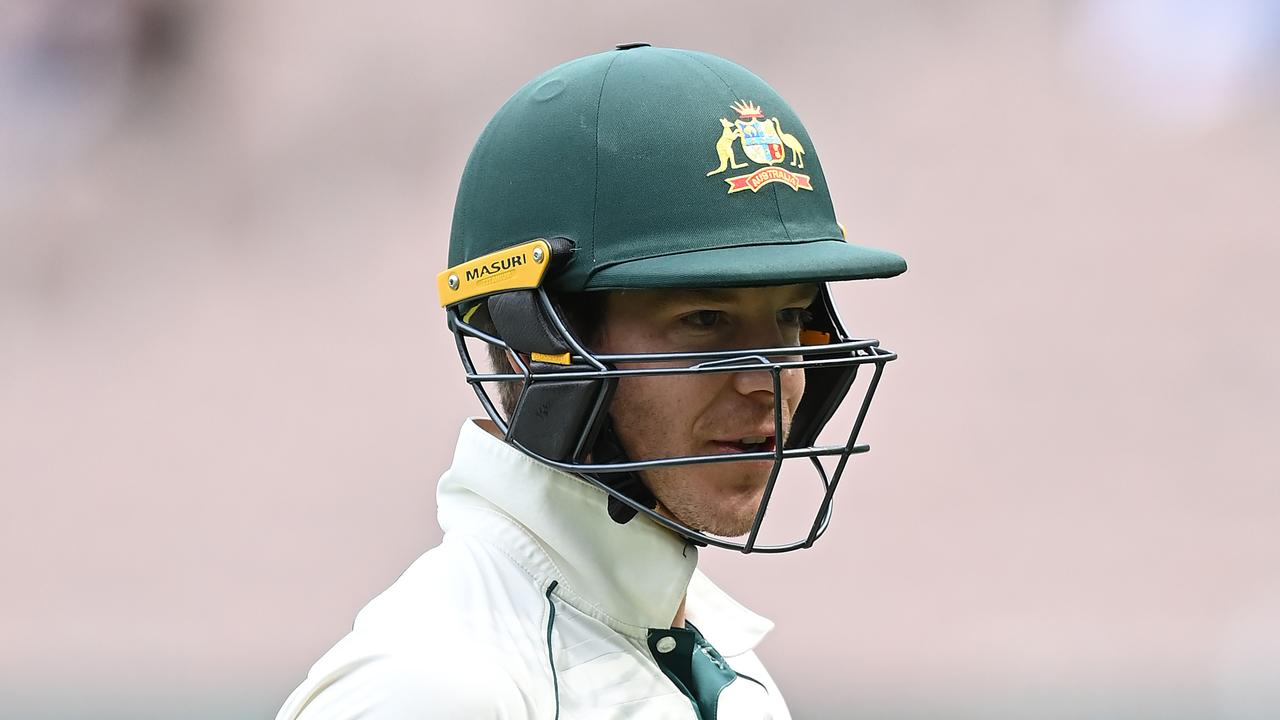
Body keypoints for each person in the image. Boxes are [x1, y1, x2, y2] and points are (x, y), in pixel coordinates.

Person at [276, 43, 906, 719]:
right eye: (703, 318)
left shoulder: (727, 667)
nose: (767, 383)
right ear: (533, 343)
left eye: (787, 315)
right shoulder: (437, 687)